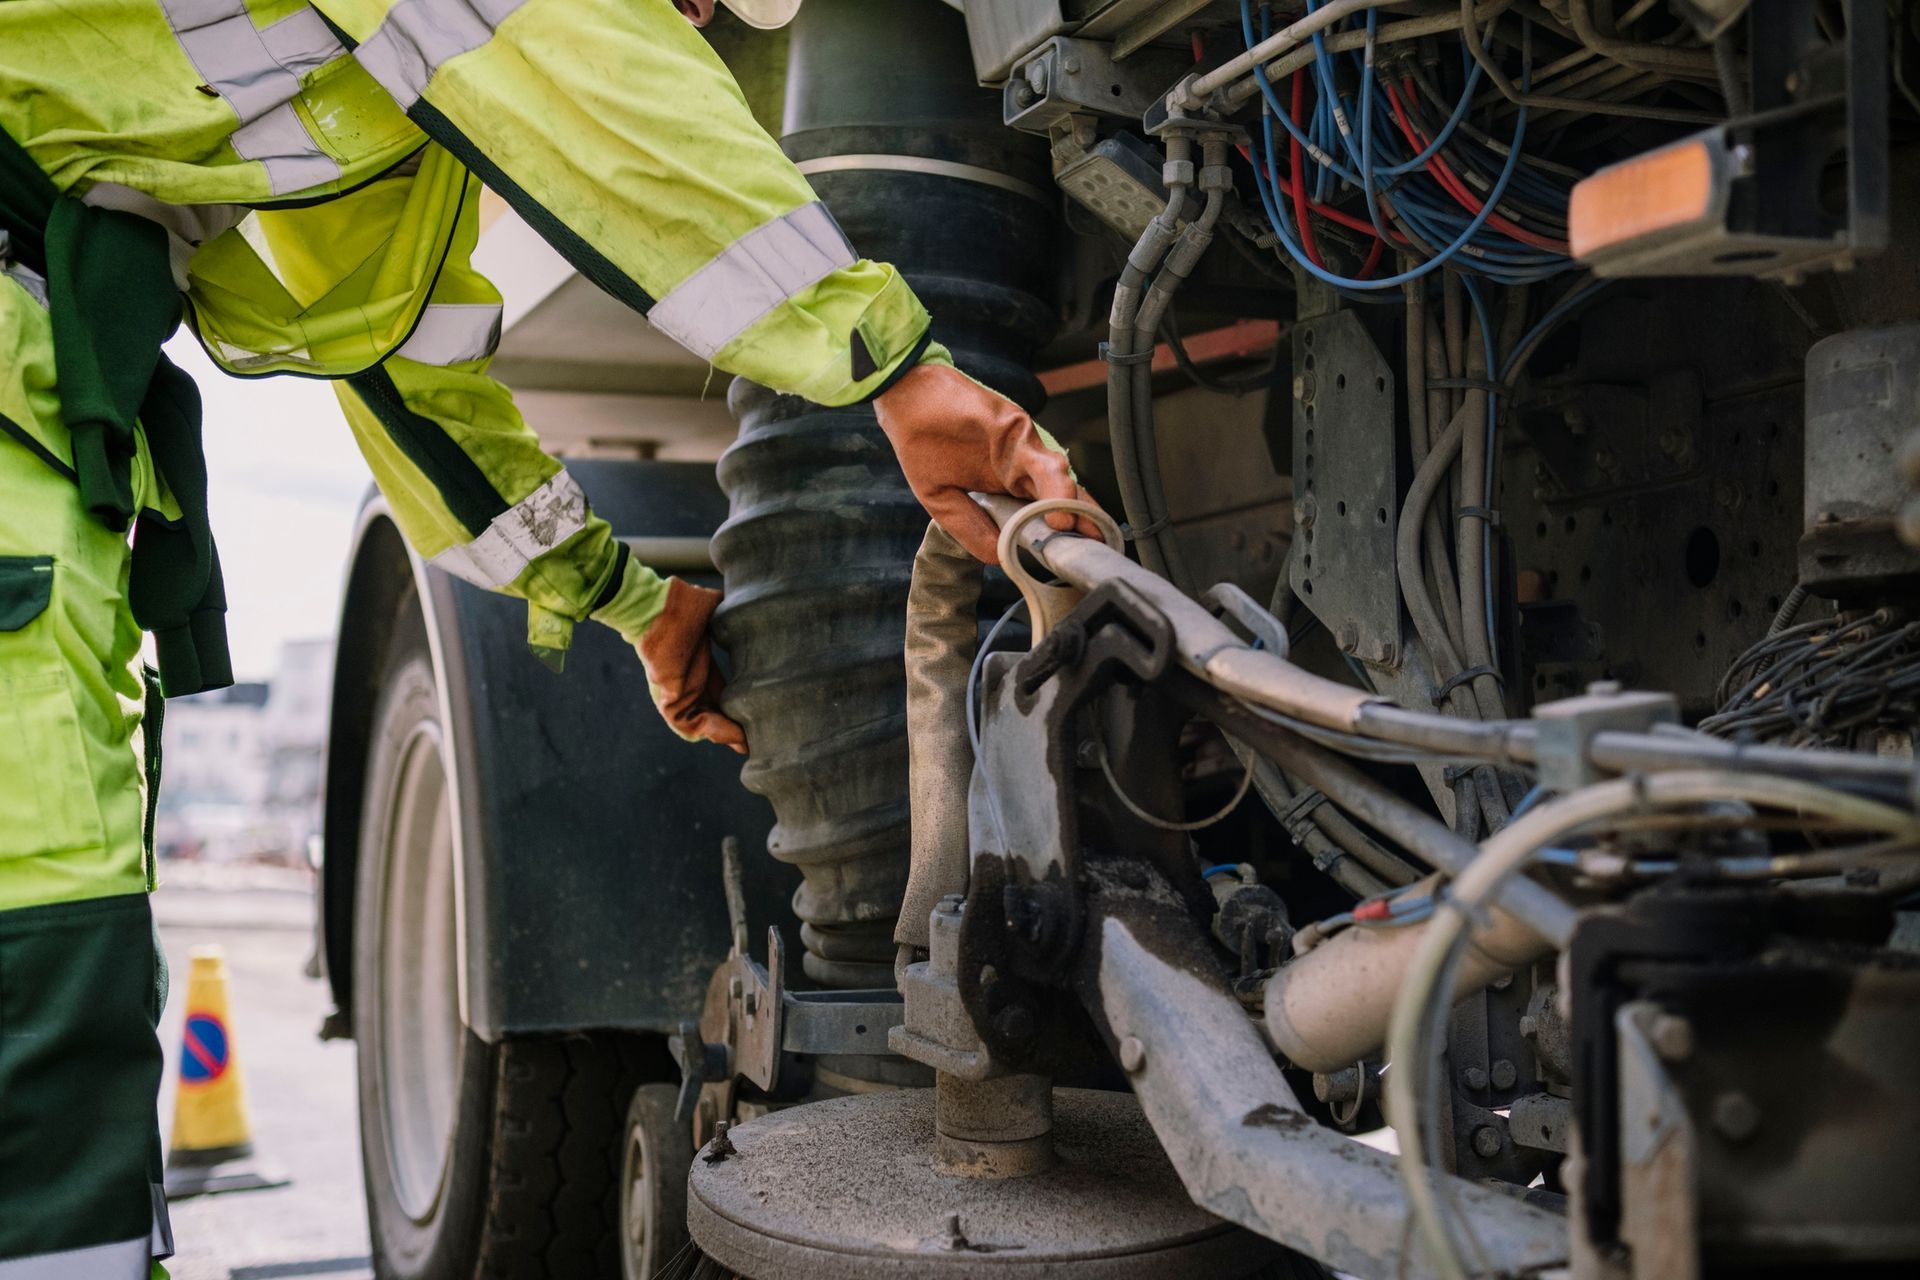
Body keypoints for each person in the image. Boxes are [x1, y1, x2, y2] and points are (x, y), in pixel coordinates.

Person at [0, 0, 1099, 1273]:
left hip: (41, 391)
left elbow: (400, 376)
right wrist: (896, 366)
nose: (685, 20)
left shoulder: (355, 97)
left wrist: (639, 603)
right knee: (38, 959)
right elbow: (593, 75)